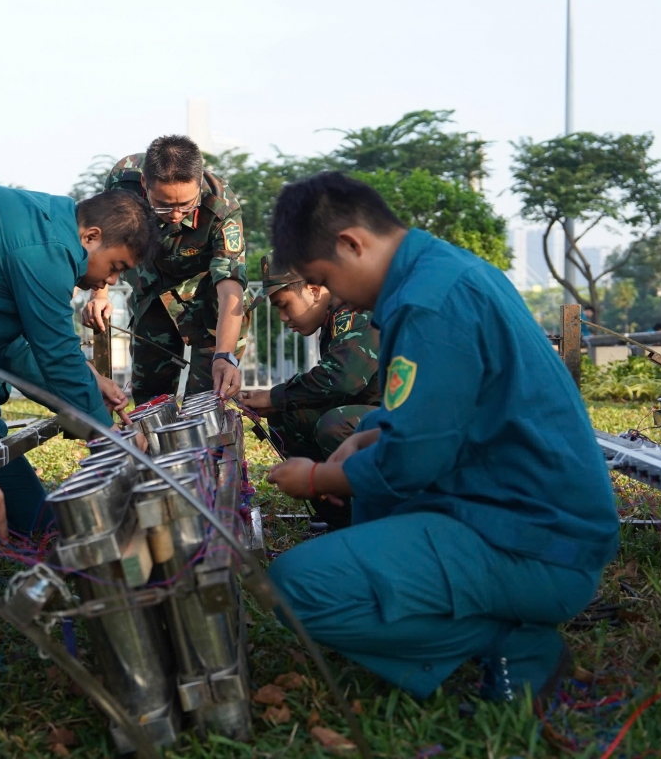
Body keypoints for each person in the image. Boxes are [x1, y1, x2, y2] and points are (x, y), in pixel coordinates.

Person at [263, 172, 619, 703]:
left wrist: (317, 478)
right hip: (529, 514)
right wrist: (365, 437)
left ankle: (511, 644)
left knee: (293, 589)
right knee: (370, 486)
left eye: (325, 278)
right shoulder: (446, 272)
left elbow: (412, 460)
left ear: (351, 244)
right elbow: (436, 407)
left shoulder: (427, 304)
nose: (331, 297)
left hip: (537, 543)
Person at [0, 183, 157, 539]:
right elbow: (55, 353)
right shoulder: (49, 250)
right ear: (91, 236)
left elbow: (21, 344)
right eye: (115, 266)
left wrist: (92, 384)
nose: (110, 280)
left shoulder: (49, 226)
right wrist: (107, 436)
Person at [81, 135, 248, 401]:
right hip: (152, 291)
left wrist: (224, 355)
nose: (175, 215)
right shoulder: (123, 182)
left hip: (208, 299)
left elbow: (230, 288)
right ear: (145, 185)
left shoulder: (221, 206)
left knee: (208, 398)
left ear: (198, 183)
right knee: (151, 398)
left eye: (185, 204)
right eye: (164, 204)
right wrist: (99, 294)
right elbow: (107, 243)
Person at [237, 254, 380, 531]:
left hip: (407, 417)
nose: (282, 317)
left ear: (313, 290)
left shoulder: (355, 309)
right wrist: (279, 403)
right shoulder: (336, 315)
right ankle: (341, 522)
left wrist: (274, 396)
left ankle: (374, 524)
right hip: (374, 410)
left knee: (336, 423)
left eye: (285, 305)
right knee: (289, 417)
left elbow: (342, 379)